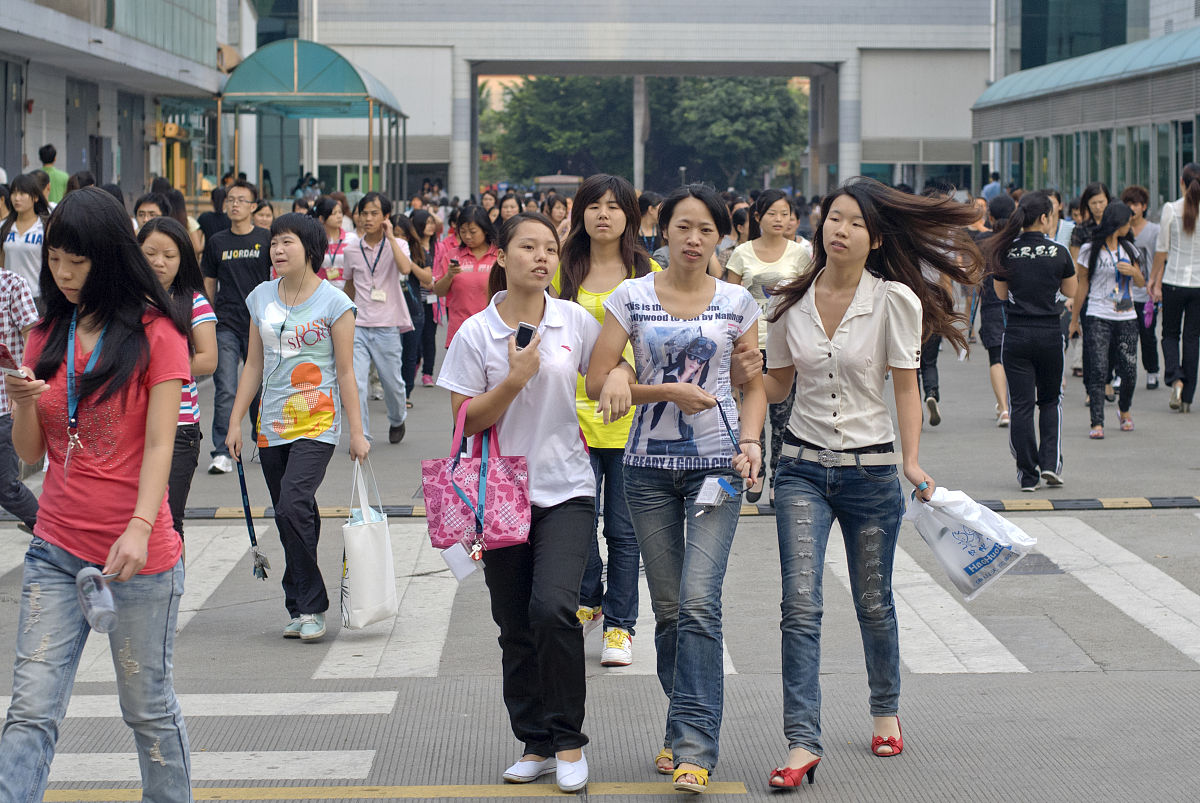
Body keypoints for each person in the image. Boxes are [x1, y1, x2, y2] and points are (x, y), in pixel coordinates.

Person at [759, 178, 970, 789]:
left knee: (873, 602)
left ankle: (885, 709)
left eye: (853, 222)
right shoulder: (788, 302)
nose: (839, 229)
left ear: (874, 238)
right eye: (831, 219)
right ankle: (802, 742)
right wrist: (742, 369)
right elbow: (776, 386)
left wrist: (912, 461)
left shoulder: (893, 300)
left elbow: (905, 381)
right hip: (799, 467)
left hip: (871, 472)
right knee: (799, 605)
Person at [0, 187, 192, 798]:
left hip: (136, 558)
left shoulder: (157, 333)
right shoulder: (47, 333)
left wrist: (139, 526)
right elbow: (31, 453)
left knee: (148, 711)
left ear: (107, 256)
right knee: (30, 712)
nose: (62, 274)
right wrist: (24, 404)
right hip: (55, 549)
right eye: (55, 259)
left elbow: (162, 442)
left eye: (76, 262)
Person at [586, 184, 765, 793]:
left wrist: (752, 441)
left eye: (706, 230)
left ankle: (694, 744)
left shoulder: (739, 302)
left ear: (721, 236)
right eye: (683, 227)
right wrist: (659, 391)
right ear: (664, 231)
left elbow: (754, 382)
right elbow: (596, 379)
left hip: (718, 465)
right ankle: (679, 724)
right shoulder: (631, 296)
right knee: (667, 611)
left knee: (698, 603)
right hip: (645, 467)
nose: (693, 239)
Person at [437, 212, 599, 793]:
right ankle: (534, 740)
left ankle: (569, 739)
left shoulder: (574, 320)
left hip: (568, 488)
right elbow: (462, 420)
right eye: (527, 247)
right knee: (513, 624)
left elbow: (609, 368)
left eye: (549, 248)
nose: (541, 256)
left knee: (553, 609)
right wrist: (513, 378)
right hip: (501, 496)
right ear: (501, 257)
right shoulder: (477, 333)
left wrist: (623, 378)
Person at [226, 213, 367, 642]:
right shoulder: (261, 297)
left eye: (286, 242)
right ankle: (299, 605)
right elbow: (252, 364)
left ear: (310, 248)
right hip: (270, 424)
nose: (278, 250)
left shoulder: (334, 302)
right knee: (294, 513)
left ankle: (313, 605)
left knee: (292, 505)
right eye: (273, 243)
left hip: (317, 421)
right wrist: (235, 422)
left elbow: (345, 372)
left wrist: (358, 432)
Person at [553, 174, 656, 668]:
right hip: (567, 418)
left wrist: (624, 369)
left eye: (615, 206)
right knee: (575, 522)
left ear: (629, 217)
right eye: (594, 205)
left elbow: (656, 343)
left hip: (631, 420)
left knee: (623, 529)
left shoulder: (647, 272)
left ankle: (620, 626)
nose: (603, 214)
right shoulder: (562, 272)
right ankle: (589, 596)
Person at [724, 188, 813, 504]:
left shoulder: (800, 254)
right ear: (758, 216)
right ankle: (754, 471)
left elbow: (808, 299)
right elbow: (729, 301)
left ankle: (779, 475)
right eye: (772, 213)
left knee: (784, 417)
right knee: (753, 413)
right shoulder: (742, 253)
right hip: (750, 346)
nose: (780, 219)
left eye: (785, 213)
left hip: (787, 345)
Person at [988, 192, 1077, 490]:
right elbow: (1071, 291)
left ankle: (1028, 474)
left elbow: (1001, 295)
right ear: (1044, 217)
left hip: (1016, 333)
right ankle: (1051, 464)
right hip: (1050, 333)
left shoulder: (1004, 250)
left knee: (1022, 405)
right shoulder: (1059, 252)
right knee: (1050, 400)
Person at [138, 216, 219, 535]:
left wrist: (157, 368)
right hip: (130, 423)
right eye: (150, 253)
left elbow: (208, 359)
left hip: (179, 426)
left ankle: (173, 586)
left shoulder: (194, 302)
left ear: (183, 258)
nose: (159, 262)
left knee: (169, 522)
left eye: (169, 256)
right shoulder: (124, 302)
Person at [201, 179, 272, 474]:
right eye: (230, 200)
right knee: (226, 387)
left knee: (258, 387)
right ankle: (221, 450)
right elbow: (208, 284)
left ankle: (260, 437)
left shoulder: (266, 239)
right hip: (226, 324)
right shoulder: (217, 242)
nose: (234, 205)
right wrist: (208, 318)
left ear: (253, 207)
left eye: (241, 200)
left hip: (259, 323)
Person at [342, 192, 414, 443]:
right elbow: (350, 284)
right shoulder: (351, 250)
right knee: (357, 383)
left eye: (375, 213)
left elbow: (405, 269)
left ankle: (397, 418)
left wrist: (391, 236)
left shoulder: (399, 245)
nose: (368, 218)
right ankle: (362, 434)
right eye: (364, 213)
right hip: (358, 324)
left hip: (387, 325)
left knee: (392, 383)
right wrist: (343, 313)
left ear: (385, 216)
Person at [1071, 201, 1143, 437]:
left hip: (1127, 316)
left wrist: (1134, 273)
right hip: (1097, 315)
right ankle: (1097, 422)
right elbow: (1082, 284)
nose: (1129, 225)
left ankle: (1124, 410)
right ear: (1117, 223)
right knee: (1098, 369)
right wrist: (1074, 320)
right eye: (1127, 221)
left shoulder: (1130, 249)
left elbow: (1142, 283)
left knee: (1129, 370)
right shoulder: (1090, 250)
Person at [1150, 163, 1200, 414]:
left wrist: (1154, 281)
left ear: (1182, 182)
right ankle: (1188, 397)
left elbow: (1162, 250)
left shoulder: (1171, 209)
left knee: (1170, 334)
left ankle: (1176, 379)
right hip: (1199, 286)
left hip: (1173, 282)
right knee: (1192, 338)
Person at [0, 263, 40, 531]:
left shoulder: (12, 284)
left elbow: (33, 337)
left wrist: (24, 380)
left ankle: (45, 526)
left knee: (5, 486)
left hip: (4, 403)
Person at [432, 205, 499, 346]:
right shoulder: (452, 255)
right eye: (463, 231)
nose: (467, 236)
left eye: (473, 232)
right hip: (460, 330)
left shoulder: (499, 256)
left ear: (485, 230)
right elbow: (439, 291)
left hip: (492, 330)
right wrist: (449, 275)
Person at [1121, 185, 1161, 390]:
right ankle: (1121, 374)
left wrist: (1156, 286)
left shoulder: (1154, 231)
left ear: (1144, 206)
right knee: (1124, 337)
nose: (1132, 208)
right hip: (1124, 294)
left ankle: (1152, 371)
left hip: (1146, 293)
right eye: (1128, 204)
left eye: (1136, 204)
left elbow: (1159, 260)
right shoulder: (1121, 230)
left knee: (1147, 335)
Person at [391, 213, 434, 398]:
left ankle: (405, 394)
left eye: (402, 234)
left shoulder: (418, 252)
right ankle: (393, 392)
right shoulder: (383, 251)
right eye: (394, 234)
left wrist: (408, 264)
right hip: (389, 310)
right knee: (392, 355)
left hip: (413, 309)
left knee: (410, 355)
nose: (399, 238)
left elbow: (427, 280)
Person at [981, 195, 1014, 425]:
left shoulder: (983, 242)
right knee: (1015, 356)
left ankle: (1003, 408)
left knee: (996, 356)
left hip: (991, 303)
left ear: (990, 216)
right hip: (1016, 303)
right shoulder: (1018, 242)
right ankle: (1014, 403)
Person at [0, 175, 51, 311]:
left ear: (35, 197)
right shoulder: (5, 228)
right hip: (9, 299)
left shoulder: (45, 227)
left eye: (22, 193)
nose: (17, 198)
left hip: (38, 298)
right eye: (14, 193)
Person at [411, 209, 442, 386]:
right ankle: (416, 363)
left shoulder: (439, 246)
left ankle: (427, 373)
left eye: (432, 223)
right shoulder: (412, 247)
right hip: (416, 299)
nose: (431, 226)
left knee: (430, 337)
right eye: (427, 222)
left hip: (433, 300)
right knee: (416, 336)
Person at [311, 195, 355, 287]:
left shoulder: (351, 239)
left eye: (340, 212)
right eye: (334, 213)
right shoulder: (316, 241)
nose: (339, 216)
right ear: (321, 219)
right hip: (321, 291)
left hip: (345, 292)